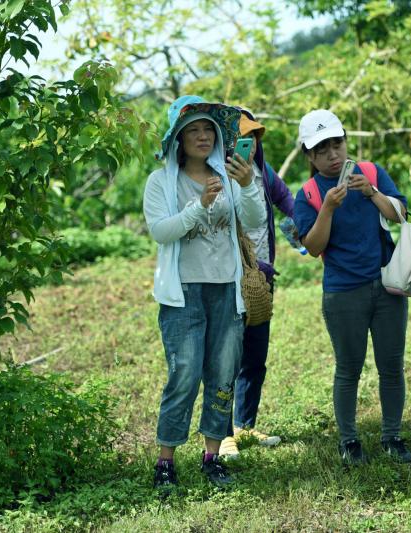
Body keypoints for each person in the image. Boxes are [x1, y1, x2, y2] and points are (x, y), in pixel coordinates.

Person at [143, 95, 264, 490]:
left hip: (227, 289)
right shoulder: (161, 181)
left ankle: (212, 457)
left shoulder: (229, 174)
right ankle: (165, 461)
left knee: (223, 374)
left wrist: (246, 185)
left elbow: (255, 220)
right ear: (178, 138)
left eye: (208, 129)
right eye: (192, 129)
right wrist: (199, 205)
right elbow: (161, 231)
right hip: (183, 293)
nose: (202, 136)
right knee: (184, 373)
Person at [292, 109, 411, 465]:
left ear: (346, 141)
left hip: (387, 284)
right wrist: (328, 209)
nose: (333, 155)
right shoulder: (308, 194)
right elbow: (314, 246)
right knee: (348, 368)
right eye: (322, 149)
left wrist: (372, 193)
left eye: (337, 144)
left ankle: (392, 435)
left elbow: (400, 214)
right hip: (343, 292)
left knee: (391, 365)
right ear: (310, 156)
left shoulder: (371, 173)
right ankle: (349, 440)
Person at [219, 109, 298, 458]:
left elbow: (286, 200)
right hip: (228, 275)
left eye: (252, 138)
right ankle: (222, 433)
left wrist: (306, 223)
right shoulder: (217, 174)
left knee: (255, 356)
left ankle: (245, 425)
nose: (248, 145)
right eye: (240, 139)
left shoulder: (263, 172)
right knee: (226, 359)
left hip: (262, 275)